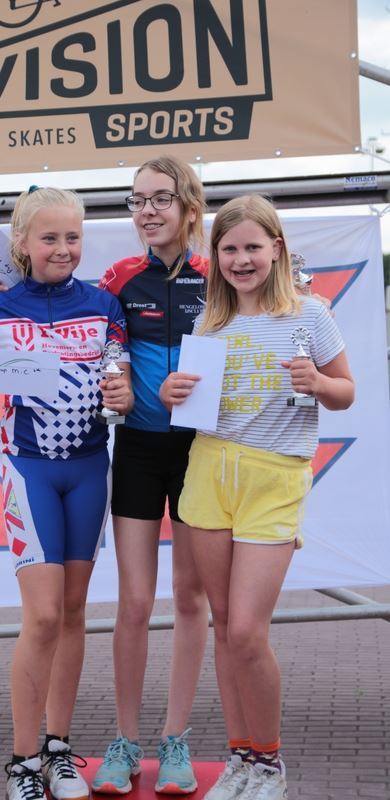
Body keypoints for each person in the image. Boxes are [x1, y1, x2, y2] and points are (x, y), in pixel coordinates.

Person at [0, 156, 212, 795]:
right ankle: (124, 740)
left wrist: (307, 300)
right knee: (133, 603)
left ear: (189, 205)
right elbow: (54, 308)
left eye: (161, 198)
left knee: (189, 599)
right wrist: (10, 286)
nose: (148, 210)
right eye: (138, 199)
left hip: (201, 451)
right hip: (135, 450)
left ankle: (174, 738)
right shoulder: (116, 280)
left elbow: (278, 307)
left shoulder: (217, 273)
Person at [160, 195, 355, 800]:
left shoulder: (309, 314)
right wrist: (171, 392)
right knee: (223, 626)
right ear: (215, 256)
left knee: (247, 630)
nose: (241, 259)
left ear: (277, 248)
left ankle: (269, 764)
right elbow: (190, 400)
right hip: (208, 473)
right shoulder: (209, 321)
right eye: (229, 248)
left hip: (274, 477)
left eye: (252, 246)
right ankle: (241, 759)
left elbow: (346, 392)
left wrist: (318, 382)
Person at [0, 186, 133, 800]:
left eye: (72, 237)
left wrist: (122, 394)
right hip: (29, 471)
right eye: (50, 237)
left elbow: (119, 381)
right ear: (23, 243)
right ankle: (22, 762)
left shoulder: (105, 304)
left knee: (75, 611)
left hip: (89, 470)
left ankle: (58, 749)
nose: (63, 248)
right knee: (44, 615)